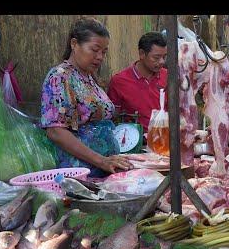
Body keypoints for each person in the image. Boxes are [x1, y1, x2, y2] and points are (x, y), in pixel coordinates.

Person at [40, 18, 132, 177]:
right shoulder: (60, 77)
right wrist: (101, 160)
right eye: (94, 49)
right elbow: (55, 131)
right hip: (79, 173)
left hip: (104, 170)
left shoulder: (89, 78)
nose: (100, 57)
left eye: (104, 52)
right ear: (74, 44)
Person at [107, 32, 168, 132]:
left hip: (164, 141)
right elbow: (112, 118)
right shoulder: (119, 82)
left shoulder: (168, 77)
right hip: (134, 142)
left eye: (164, 57)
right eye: (156, 58)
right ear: (142, 54)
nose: (162, 61)